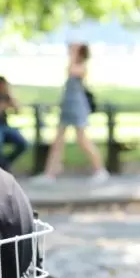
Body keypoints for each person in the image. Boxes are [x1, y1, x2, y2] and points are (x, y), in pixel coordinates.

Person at [35, 42, 108, 183]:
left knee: (82, 139)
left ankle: (100, 170)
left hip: (77, 107)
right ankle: (50, 173)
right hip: (67, 106)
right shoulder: (74, 64)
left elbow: (71, 70)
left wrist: (74, 54)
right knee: (58, 142)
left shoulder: (82, 67)